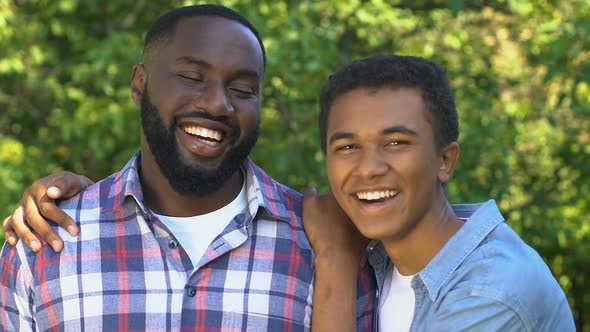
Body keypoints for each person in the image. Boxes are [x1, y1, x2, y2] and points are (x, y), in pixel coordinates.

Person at [0, 4, 375, 331]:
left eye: (243, 90)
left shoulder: (327, 247)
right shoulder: (44, 242)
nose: (217, 105)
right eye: (191, 78)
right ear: (139, 85)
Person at [303, 54, 575, 331]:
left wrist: (335, 259)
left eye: (396, 142)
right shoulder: (378, 268)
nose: (368, 169)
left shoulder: (491, 292)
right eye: (348, 147)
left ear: (445, 160)